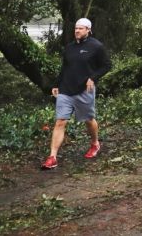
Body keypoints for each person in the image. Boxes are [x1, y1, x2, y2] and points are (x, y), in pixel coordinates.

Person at [42, 17, 111, 170]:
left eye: (80, 28)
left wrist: (93, 78)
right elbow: (65, 68)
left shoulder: (96, 46)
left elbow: (107, 65)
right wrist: (56, 84)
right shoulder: (69, 47)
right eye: (75, 28)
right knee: (60, 122)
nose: (77, 31)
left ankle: (95, 143)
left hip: (84, 91)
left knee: (89, 119)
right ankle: (52, 157)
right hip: (66, 90)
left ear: (88, 30)